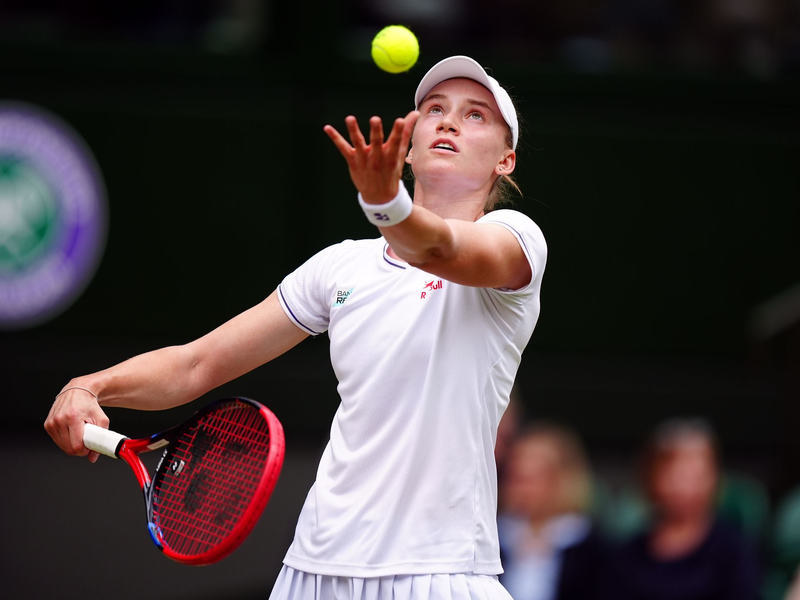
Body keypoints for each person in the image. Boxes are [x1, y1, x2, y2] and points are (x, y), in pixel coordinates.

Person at [44, 55, 547, 600]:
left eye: (475, 115)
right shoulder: (340, 267)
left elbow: (440, 249)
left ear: (505, 161)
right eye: (434, 109)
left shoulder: (516, 238)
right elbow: (197, 364)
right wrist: (89, 387)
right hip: (313, 569)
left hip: (440, 570)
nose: (448, 121)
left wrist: (385, 204)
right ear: (408, 145)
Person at [605, 417, 762, 600]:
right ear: (650, 477)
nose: (686, 488)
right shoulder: (627, 557)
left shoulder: (734, 553)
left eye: (697, 476)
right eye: (675, 476)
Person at [497, 421, 609, 600]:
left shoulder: (590, 546)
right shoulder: (493, 536)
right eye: (516, 478)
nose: (523, 490)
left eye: (535, 478)